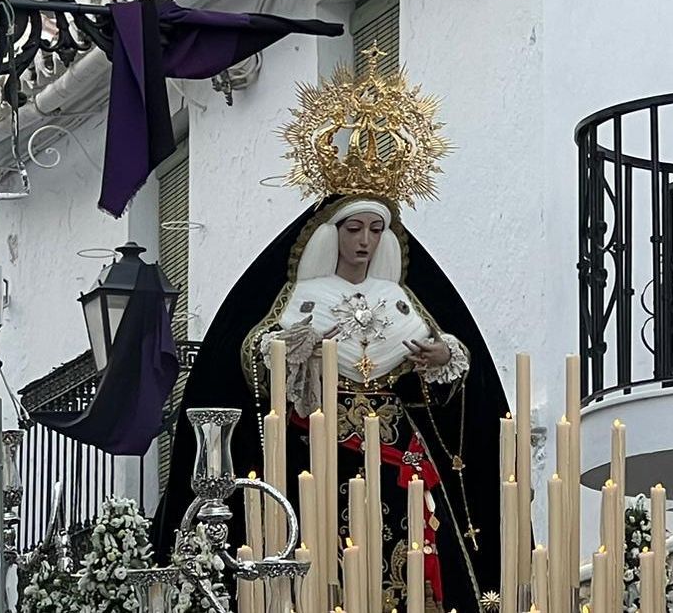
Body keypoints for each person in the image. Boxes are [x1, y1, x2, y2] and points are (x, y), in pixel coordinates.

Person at [153, 51, 510, 613]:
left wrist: (443, 355)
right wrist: (291, 356)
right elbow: (252, 358)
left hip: (399, 453)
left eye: (374, 228)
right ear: (333, 232)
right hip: (321, 452)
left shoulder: (398, 297)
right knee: (326, 555)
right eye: (354, 228)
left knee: (418, 546)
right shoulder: (303, 297)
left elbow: (451, 361)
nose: (364, 241)